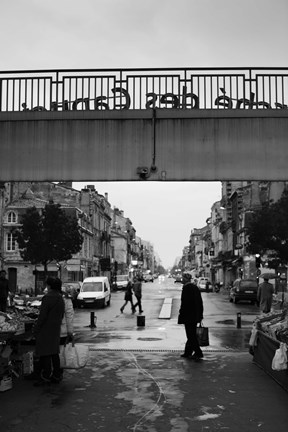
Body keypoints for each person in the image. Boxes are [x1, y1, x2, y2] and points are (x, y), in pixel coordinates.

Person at [33, 277, 65, 386]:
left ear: (50, 286)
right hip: (55, 328)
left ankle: (45, 376)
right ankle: (57, 375)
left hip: (46, 329)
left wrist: (36, 329)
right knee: (54, 352)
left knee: (45, 353)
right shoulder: (60, 298)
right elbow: (61, 315)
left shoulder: (47, 298)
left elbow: (42, 316)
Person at [178, 272, 204, 360]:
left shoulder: (186, 288)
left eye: (183, 278)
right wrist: (200, 314)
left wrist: (181, 314)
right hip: (195, 315)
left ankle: (198, 352)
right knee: (191, 334)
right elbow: (200, 302)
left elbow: (185, 303)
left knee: (191, 335)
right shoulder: (195, 287)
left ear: (185, 279)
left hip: (188, 316)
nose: (182, 279)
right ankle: (188, 352)